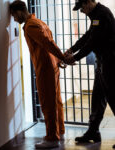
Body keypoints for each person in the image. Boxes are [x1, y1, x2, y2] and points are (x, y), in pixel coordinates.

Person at [10, 0, 67, 149]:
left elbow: (47, 43)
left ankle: (52, 138)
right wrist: (58, 59)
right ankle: (59, 131)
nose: (14, 19)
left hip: (45, 67)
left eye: (14, 16)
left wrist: (61, 57)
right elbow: (50, 41)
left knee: (48, 102)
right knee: (56, 100)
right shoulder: (39, 21)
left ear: (20, 12)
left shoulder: (30, 26)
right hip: (52, 65)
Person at [64, 0, 115, 148]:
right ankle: (93, 131)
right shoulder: (95, 15)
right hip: (102, 63)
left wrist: (74, 58)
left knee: (113, 98)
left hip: (111, 63)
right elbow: (88, 36)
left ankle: (93, 131)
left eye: (82, 7)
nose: (81, 11)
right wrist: (72, 50)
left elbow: (92, 42)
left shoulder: (102, 14)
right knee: (97, 98)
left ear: (88, 2)